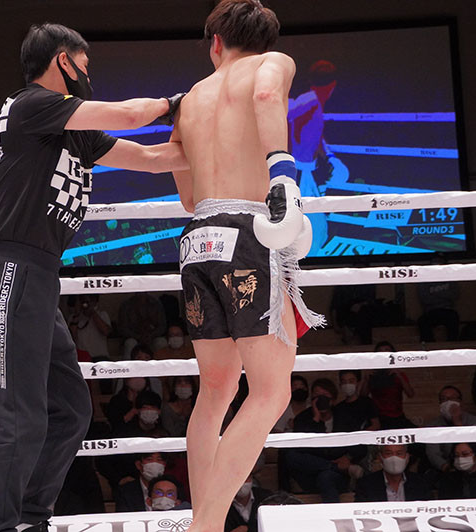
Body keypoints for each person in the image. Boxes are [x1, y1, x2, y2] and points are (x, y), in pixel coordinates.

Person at [0, 23, 189, 532]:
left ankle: (32, 518)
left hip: (40, 277)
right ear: (62, 61)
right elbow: (132, 115)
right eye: (84, 66)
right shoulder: (30, 105)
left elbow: (155, 160)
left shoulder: (72, 131)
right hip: (13, 271)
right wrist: (174, 104)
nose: (88, 77)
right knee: (21, 420)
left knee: (72, 411)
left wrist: (203, 129)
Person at [171, 2, 324, 528]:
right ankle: (205, 524)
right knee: (271, 392)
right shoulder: (272, 63)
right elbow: (264, 96)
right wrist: (282, 173)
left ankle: (204, 519)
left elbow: (188, 196)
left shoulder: (189, 99)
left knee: (215, 393)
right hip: (248, 233)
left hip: (198, 239)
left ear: (215, 41)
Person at [287, 59, 350, 254]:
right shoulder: (309, 100)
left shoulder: (313, 102)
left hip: (306, 170)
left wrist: (330, 156)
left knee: (315, 223)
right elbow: (287, 113)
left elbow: (315, 135)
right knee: (312, 225)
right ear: (333, 85)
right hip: (300, 171)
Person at [284, 379, 365, 502]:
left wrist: (348, 457)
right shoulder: (302, 419)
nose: (321, 399)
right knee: (290, 455)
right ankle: (334, 467)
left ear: (333, 399)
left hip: (337, 476)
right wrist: (316, 420)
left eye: (325, 395)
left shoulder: (345, 417)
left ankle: (335, 513)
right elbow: (301, 447)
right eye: (317, 395)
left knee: (325, 477)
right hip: (310, 472)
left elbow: (361, 445)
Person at [424, 385, 476, 483]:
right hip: (450, 462)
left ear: (460, 402)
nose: (448, 402)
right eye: (444, 399)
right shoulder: (433, 425)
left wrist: (458, 423)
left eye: (452, 398)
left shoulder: (475, 421)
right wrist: (446, 467)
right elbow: (433, 453)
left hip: (473, 460)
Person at [362, 342, 415, 429]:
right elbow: (363, 396)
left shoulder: (398, 374)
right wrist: (366, 379)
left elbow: (410, 394)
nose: (383, 353)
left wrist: (399, 376)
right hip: (378, 418)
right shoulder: (372, 374)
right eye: (380, 351)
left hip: (397, 416)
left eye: (386, 350)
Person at [354, 445, 432, 502]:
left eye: (399, 453)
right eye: (389, 453)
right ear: (380, 457)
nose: (394, 458)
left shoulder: (420, 483)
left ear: (407, 457)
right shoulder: (366, 485)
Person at [67, 294, 112, 362]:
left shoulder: (102, 314)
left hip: (100, 356)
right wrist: (77, 314)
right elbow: (71, 338)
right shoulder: (73, 318)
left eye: (90, 300)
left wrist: (92, 312)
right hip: (82, 357)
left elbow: (106, 331)